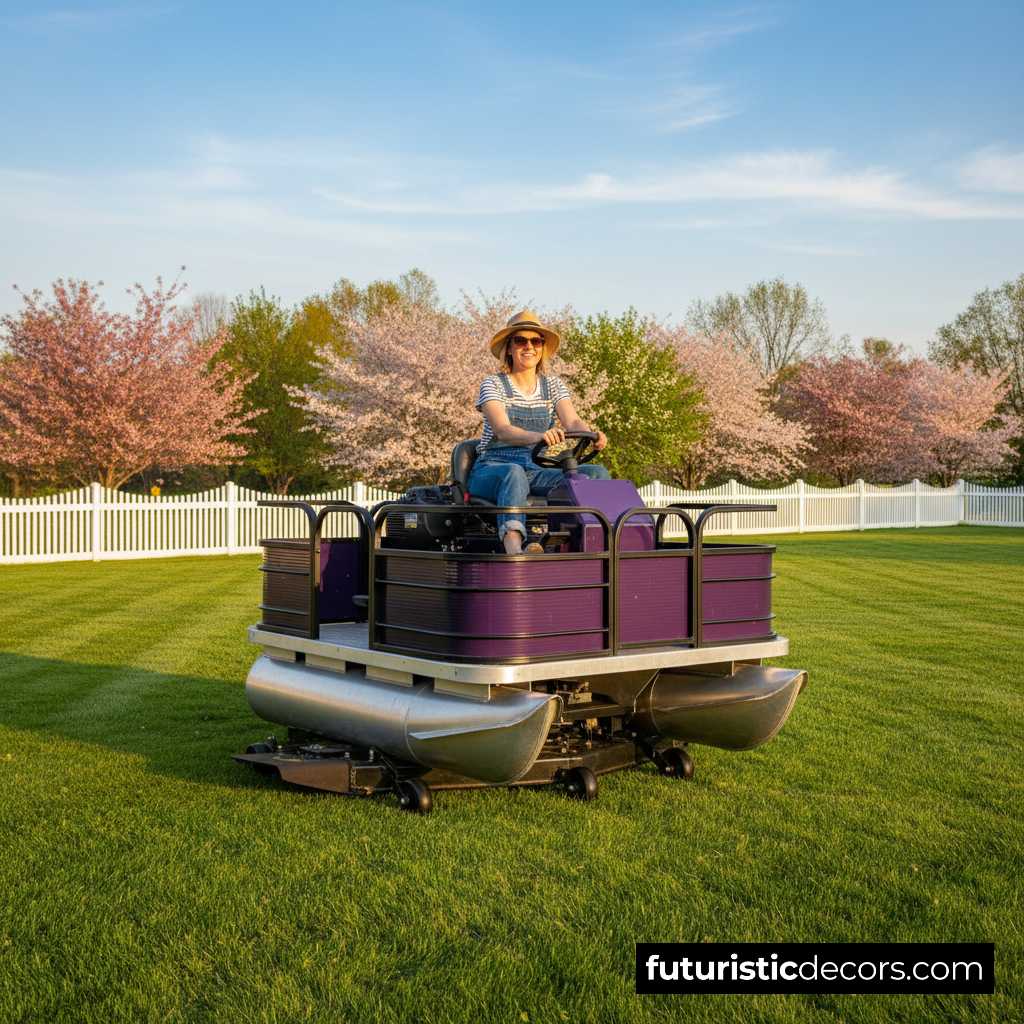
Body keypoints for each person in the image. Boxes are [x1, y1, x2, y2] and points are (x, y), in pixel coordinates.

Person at [467, 309, 610, 554]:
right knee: (514, 474)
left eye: (536, 341)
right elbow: (502, 430)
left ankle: (596, 544)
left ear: (542, 348)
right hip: (494, 468)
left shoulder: (553, 385)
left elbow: (573, 420)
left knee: (595, 473)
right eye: (521, 340)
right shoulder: (493, 384)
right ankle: (514, 547)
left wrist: (591, 434)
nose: (529, 346)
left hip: (536, 469)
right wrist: (538, 437)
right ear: (509, 348)